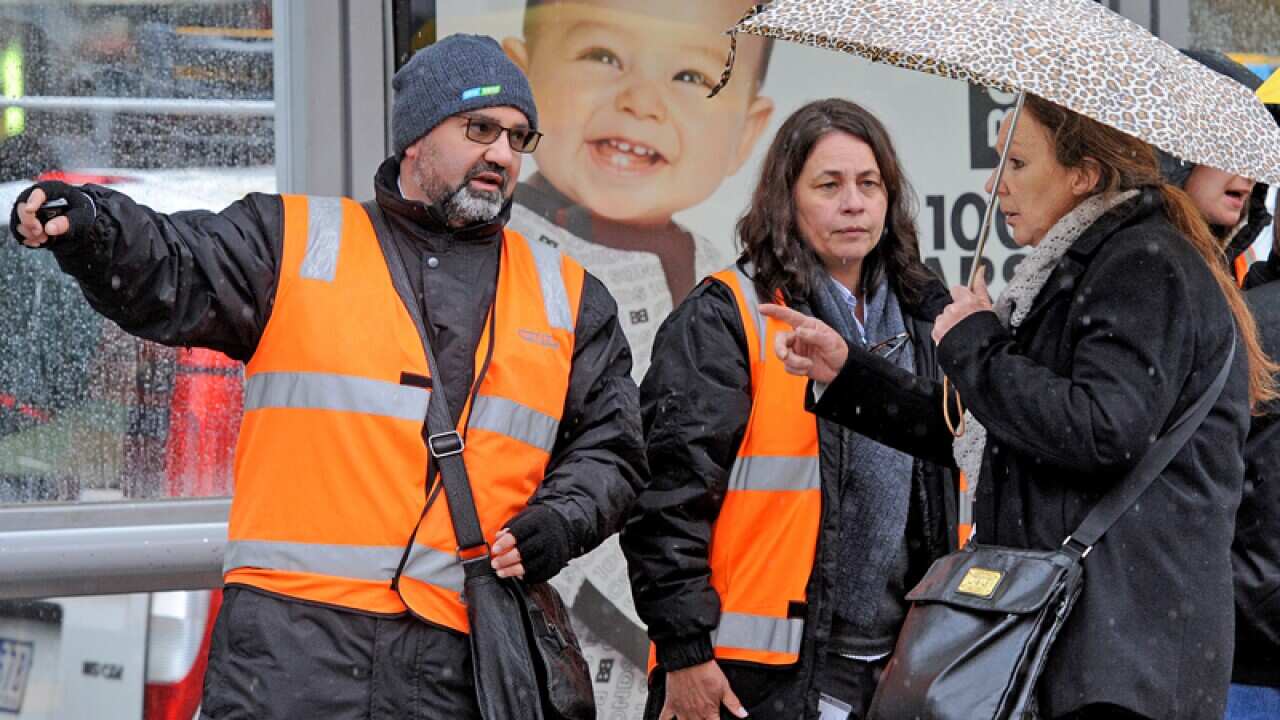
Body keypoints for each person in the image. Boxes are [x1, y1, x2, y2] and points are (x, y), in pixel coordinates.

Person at [8, 34, 646, 718]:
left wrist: (561, 519)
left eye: (518, 138)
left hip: (459, 661)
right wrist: (96, 228)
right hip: (291, 655)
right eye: (480, 128)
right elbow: (178, 262)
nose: (500, 154)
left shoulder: (568, 296)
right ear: (415, 139)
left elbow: (612, 449)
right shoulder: (294, 241)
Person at [767, 94, 1276, 719]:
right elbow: (997, 426)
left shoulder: (1144, 263)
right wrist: (849, 373)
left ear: (1082, 175)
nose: (994, 183)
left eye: (1016, 162)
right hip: (1089, 646)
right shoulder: (1089, 263)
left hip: (1124, 662)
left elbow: (1100, 430)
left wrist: (976, 342)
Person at [621, 98, 957, 720]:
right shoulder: (726, 315)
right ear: (787, 198)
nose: (854, 203)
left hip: (902, 668)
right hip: (754, 679)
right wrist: (686, 654)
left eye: (869, 184)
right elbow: (665, 504)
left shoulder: (930, 317)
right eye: (828, 185)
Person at [502, 0, 776, 382]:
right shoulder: (498, 244)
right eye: (603, 56)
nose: (641, 103)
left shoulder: (730, 281)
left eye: (691, 77)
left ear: (745, 133)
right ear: (520, 79)